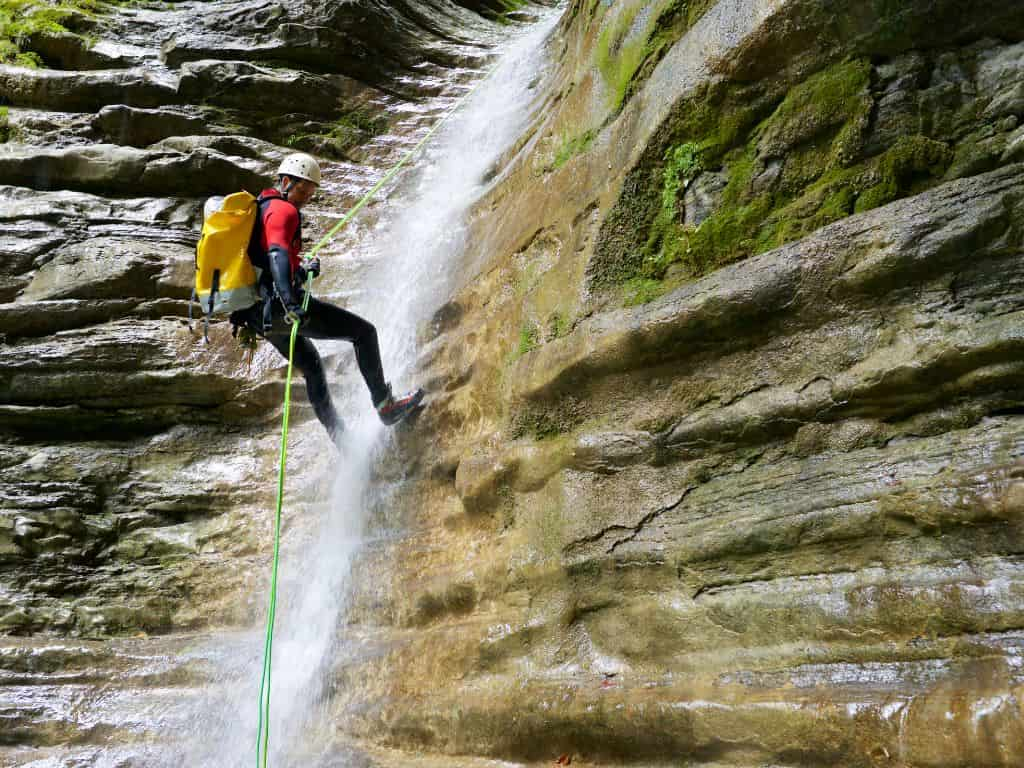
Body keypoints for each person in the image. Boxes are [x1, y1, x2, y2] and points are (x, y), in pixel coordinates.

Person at [230, 153, 423, 441]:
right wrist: (290, 301)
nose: (305, 197)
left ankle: (342, 441)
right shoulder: (283, 211)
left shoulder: (262, 211)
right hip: (280, 308)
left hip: (257, 314)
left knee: (311, 366)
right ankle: (385, 405)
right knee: (363, 333)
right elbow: (276, 253)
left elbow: (268, 262)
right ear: (285, 181)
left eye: (310, 192)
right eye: (301, 189)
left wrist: (302, 270)